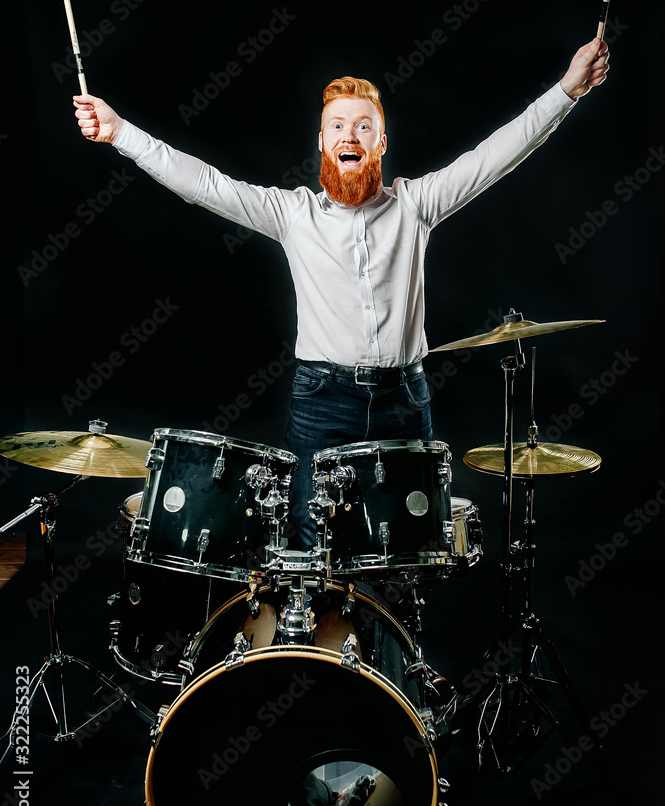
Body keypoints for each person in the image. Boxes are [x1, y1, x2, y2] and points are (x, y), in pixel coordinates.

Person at [72, 38, 609, 550]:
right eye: (337, 126)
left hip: (405, 400)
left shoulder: (416, 206)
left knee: (406, 545)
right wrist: (120, 132)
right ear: (322, 143)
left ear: (380, 143)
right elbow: (204, 182)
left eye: (363, 126)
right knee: (313, 546)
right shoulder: (293, 215)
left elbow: (497, 153)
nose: (349, 135)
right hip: (322, 403)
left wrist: (566, 90)